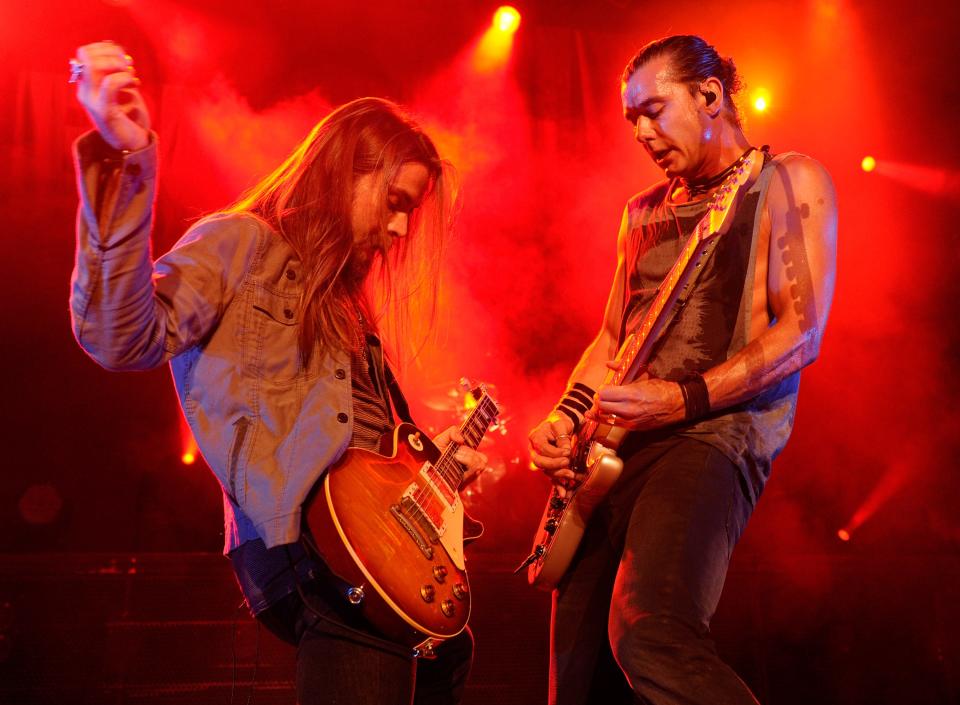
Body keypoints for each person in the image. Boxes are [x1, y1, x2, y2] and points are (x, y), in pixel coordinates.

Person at [68, 41, 487, 705]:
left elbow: (373, 444)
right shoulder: (241, 243)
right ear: (349, 171)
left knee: (451, 654)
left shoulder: (350, 302)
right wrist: (126, 163)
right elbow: (120, 336)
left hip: (380, 555)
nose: (404, 228)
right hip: (308, 544)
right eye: (397, 200)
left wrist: (431, 487)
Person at [528, 35, 837, 705]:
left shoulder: (786, 179)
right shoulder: (641, 212)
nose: (640, 131)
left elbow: (803, 330)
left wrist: (681, 397)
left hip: (707, 441)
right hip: (611, 454)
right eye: (631, 118)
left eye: (653, 109)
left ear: (710, 95)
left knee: (651, 633)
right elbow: (613, 333)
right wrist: (566, 416)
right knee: (577, 685)